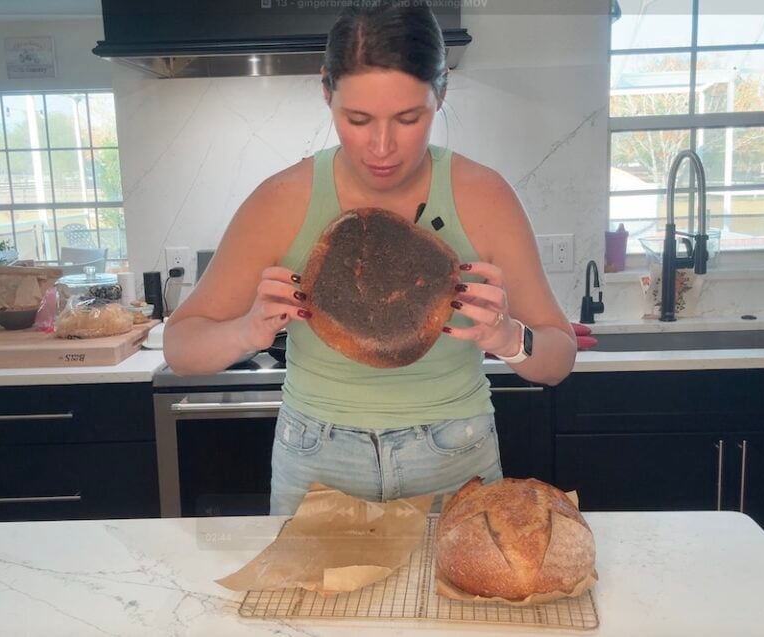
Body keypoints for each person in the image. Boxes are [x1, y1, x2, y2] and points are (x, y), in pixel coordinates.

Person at [163, 1, 576, 515]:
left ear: (441, 91)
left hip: (453, 454)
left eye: (409, 118)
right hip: (317, 460)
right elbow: (180, 346)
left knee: (447, 600)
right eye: (357, 119)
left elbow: (558, 358)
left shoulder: (485, 197)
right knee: (311, 602)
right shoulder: (280, 202)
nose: (382, 147)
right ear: (325, 91)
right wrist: (246, 332)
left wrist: (511, 339)